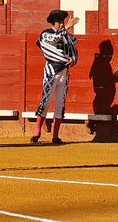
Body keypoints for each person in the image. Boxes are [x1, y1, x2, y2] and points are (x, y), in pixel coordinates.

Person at [29, 9, 78, 144]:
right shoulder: (46, 34)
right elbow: (55, 38)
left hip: (65, 72)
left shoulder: (66, 35)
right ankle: (37, 132)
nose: (62, 25)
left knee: (60, 103)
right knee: (46, 100)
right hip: (51, 71)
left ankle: (55, 135)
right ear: (53, 23)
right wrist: (67, 28)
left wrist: (73, 59)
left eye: (63, 22)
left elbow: (73, 48)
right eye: (59, 23)